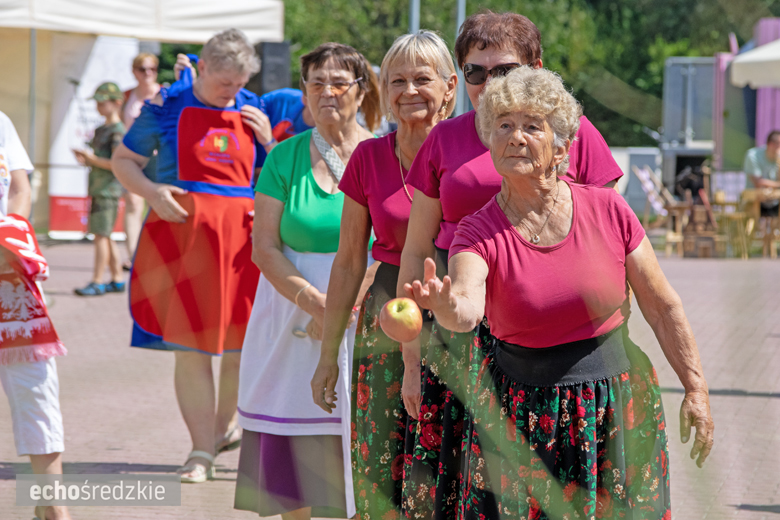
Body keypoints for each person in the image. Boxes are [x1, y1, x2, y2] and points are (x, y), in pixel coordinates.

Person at [404, 66, 714, 519]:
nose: (516, 136)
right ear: (490, 142)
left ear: (562, 147)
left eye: (532, 126)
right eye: (504, 126)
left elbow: (662, 306)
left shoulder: (609, 210)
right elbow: (468, 307)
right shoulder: (476, 232)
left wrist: (696, 389)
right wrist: (446, 304)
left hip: (615, 404)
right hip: (521, 413)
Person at [397, 11, 626, 519]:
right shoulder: (444, 140)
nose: (487, 83)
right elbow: (415, 250)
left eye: (503, 70)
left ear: (537, 69)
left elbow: (607, 236)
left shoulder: (574, 131)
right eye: (475, 73)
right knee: (462, 481)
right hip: (459, 324)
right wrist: (411, 357)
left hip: (550, 345)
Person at [309, 31, 457, 520]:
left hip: (462, 311)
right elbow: (349, 261)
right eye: (397, 80)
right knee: (382, 456)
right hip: (386, 315)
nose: (409, 90)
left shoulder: (474, 153)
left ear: (450, 88)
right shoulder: (370, 158)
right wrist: (329, 354)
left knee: (456, 456)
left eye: (422, 79)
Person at [112, 28, 266, 483]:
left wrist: (269, 144)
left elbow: (273, 172)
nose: (230, 92)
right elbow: (124, 160)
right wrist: (152, 190)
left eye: (238, 83)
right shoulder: (165, 107)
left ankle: (220, 433)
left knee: (240, 349)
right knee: (191, 350)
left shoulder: (251, 106)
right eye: (224, 81)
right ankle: (200, 451)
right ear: (202, 67)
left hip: (242, 243)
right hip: (185, 241)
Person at [234, 42, 380, 520]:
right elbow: (265, 248)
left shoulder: (383, 155)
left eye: (339, 82)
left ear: (362, 91)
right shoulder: (284, 157)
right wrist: (319, 304)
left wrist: (343, 307)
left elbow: (393, 242)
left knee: (354, 450)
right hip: (291, 317)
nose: (327, 93)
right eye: (316, 83)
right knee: (293, 470)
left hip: (365, 314)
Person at [0, 110, 70, 520]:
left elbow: (19, 190)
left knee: (38, 389)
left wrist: (11, 239)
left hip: (10, 275)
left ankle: (52, 505)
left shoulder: (1, 121)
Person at [72, 82, 127, 296]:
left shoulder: (118, 131)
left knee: (101, 236)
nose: (98, 107)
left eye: (102, 102)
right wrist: (86, 159)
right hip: (98, 188)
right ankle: (116, 279)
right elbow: (98, 160)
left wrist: (91, 158)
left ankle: (97, 281)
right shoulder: (101, 129)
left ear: (116, 103)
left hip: (108, 190)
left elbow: (116, 162)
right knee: (106, 234)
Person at [121, 53, 162, 268]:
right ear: (134, 71)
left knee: (157, 201)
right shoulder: (127, 95)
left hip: (158, 158)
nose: (147, 73)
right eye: (143, 69)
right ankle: (135, 255)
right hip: (134, 158)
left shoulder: (164, 93)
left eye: (152, 69)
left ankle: (154, 251)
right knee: (133, 203)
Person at [744, 130, 780, 256]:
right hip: (755, 202)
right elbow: (757, 182)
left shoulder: (778, 159)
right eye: (778, 144)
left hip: (775, 202)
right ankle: (751, 245)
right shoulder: (753, 155)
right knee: (756, 206)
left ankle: (772, 242)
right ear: (770, 144)